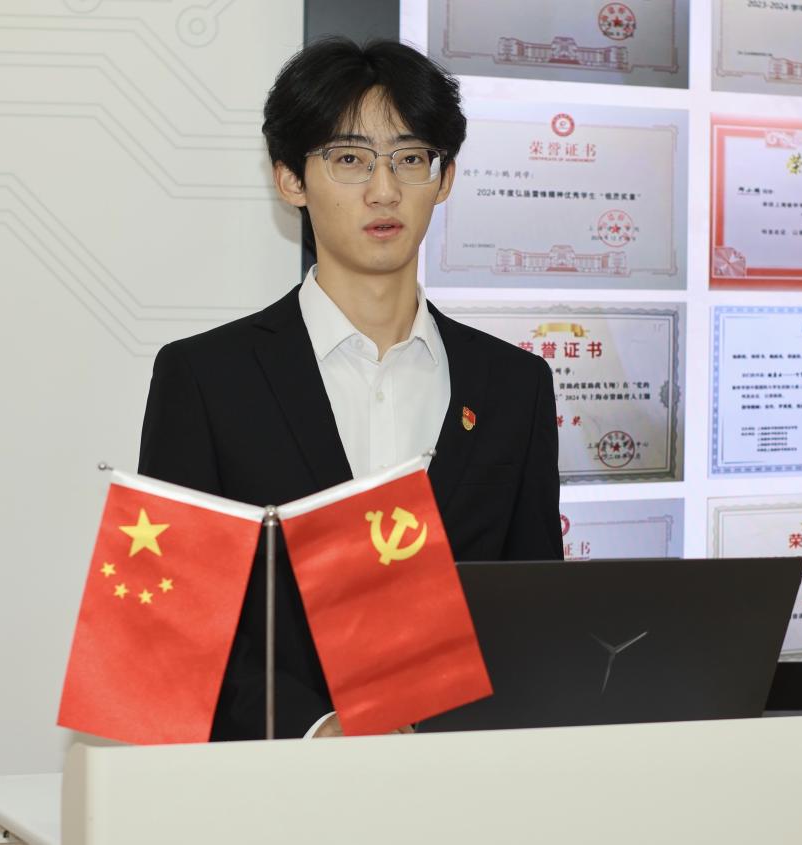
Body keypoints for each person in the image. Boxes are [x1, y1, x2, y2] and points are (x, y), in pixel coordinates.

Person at [137, 37, 562, 740]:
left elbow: (536, 616)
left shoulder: (514, 386)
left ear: (445, 178)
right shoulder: (207, 378)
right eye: (349, 159)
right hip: (275, 780)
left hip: (465, 777)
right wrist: (316, 728)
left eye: (411, 158)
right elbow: (171, 622)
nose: (384, 190)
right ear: (290, 180)